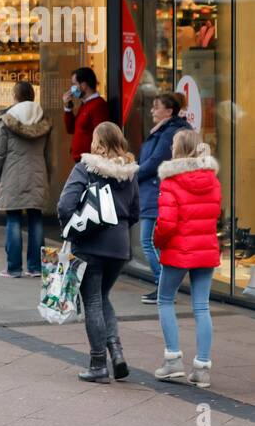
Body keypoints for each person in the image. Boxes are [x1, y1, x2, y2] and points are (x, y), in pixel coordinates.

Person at [57, 121, 140, 383]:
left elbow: (65, 204)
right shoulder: (129, 172)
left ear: (97, 142)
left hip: (90, 244)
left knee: (92, 300)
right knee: (102, 297)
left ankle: (97, 364)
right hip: (119, 247)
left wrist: (74, 227)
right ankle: (116, 353)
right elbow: (135, 211)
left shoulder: (86, 168)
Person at [152, 129, 221, 389]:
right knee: (201, 307)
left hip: (178, 249)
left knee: (165, 299)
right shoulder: (212, 180)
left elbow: (167, 224)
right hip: (205, 248)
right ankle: (202, 367)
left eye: (173, 144)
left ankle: (173, 360)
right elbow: (214, 213)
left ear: (178, 149)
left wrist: (157, 241)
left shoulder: (172, 181)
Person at [0, 80, 51, 278]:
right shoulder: (44, 121)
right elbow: (49, 154)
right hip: (37, 174)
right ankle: (36, 267)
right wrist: (48, 174)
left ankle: (13, 268)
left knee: (14, 219)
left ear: (15, 97)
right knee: (36, 219)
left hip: (12, 175)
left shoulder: (7, 121)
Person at [135, 92, 192, 305]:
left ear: (169, 111)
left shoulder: (169, 132)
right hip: (153, 190)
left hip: (157, 191)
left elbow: (156, 161)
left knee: (148, 241)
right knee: (154, 242)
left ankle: (164, 286)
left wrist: (133, 173)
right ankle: (164, 286)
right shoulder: (164, 130)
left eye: (156, 107)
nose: (151, 110)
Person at [62, 66, 110, 165]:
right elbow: (71, 129)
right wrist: (68, 108)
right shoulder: (85, 104)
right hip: (81, 161)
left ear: (83, 85)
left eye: (74, 84)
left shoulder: (98, 105)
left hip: (90, 162)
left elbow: (101, 137)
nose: (72, 89)